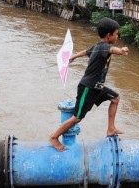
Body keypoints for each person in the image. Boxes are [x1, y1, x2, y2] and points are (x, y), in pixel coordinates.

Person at [49, 17, 129, 151]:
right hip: (88, 87)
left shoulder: (97, 47)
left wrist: (73, 56)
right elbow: (113, 50)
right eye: (116, 34)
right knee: (77, 118)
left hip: (97, 87)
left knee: (115, 98)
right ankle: (54, 136)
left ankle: (110, 128)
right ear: (109, 36)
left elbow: (85, 52)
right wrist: (121, 51)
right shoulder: (104, 47)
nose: (117, 36)